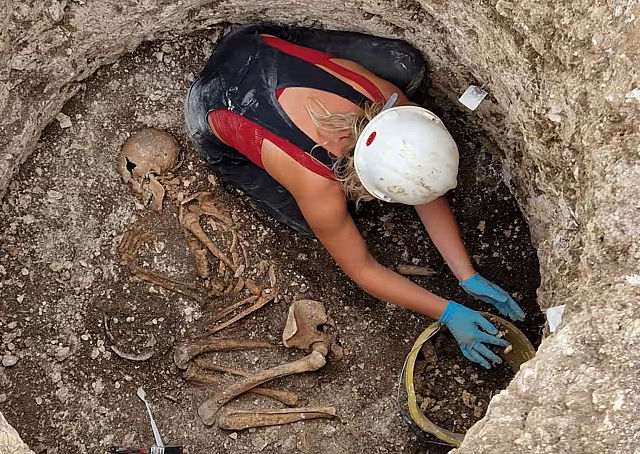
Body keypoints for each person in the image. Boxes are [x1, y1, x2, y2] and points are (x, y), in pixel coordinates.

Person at [185, 23, 524, 368]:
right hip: (211, 102)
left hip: (257, 45)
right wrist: (448, 312)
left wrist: (466, 273)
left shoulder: (387, 102)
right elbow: (363, 269)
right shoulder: (318, 187)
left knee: (407, 65)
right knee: (306, 221)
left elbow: (419, 179)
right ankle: (228, 150)